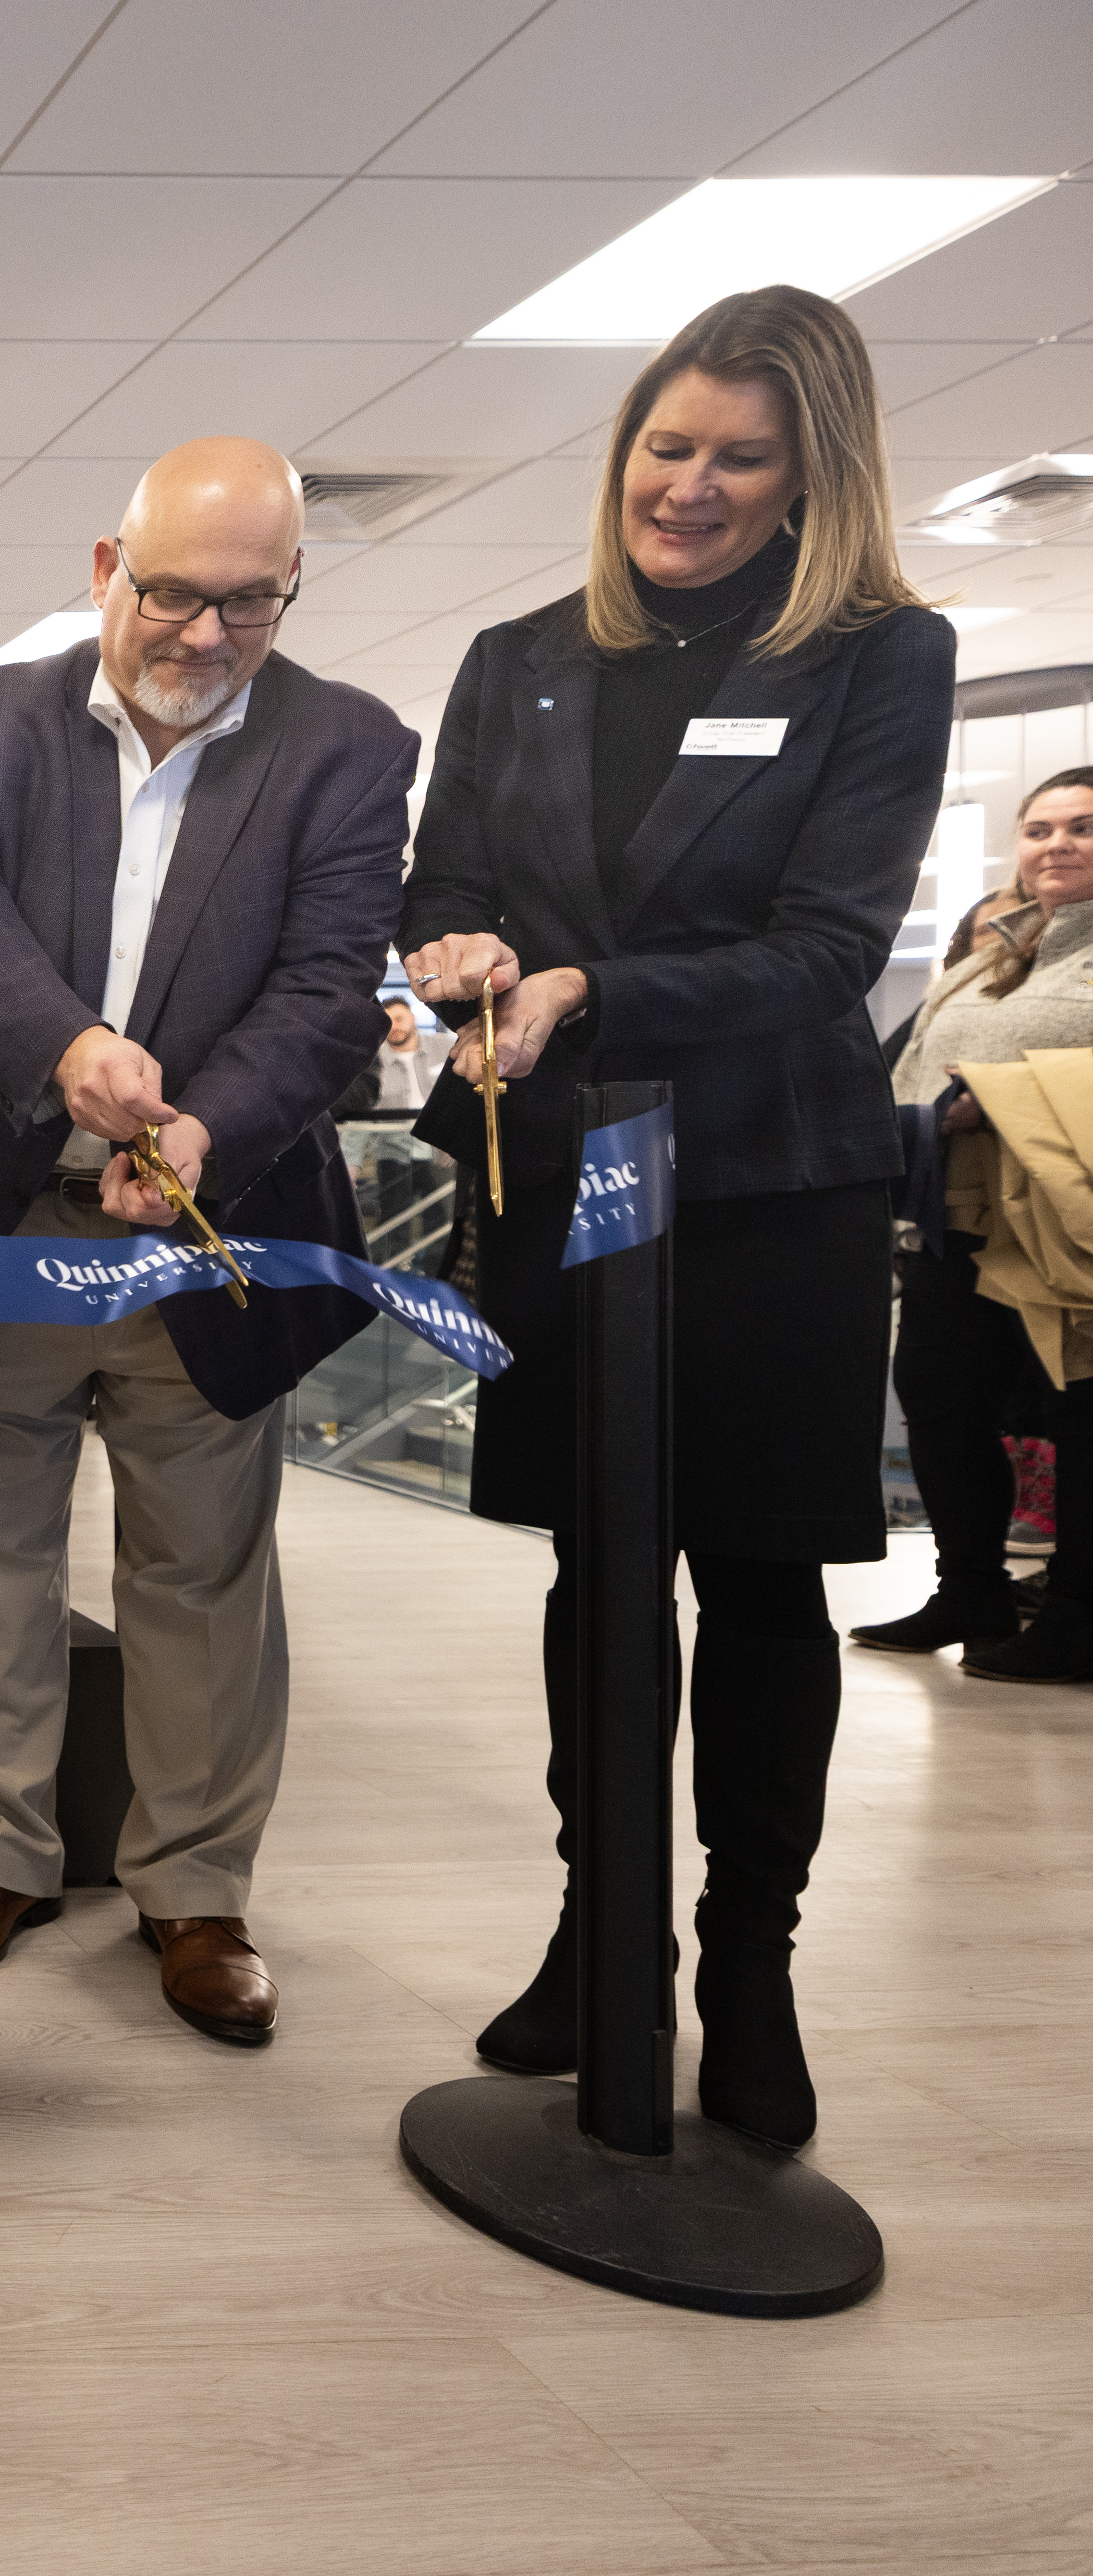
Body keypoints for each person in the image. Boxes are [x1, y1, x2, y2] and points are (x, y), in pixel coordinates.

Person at [402, 284, 953, 2152]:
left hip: (769, 1185)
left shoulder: (879, 658)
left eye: (738, 457)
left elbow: (825, 949)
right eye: (664, 445)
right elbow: (443, 881)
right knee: (598, 1569)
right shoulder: (518, 656)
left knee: (760, 1580)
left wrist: (585, 986)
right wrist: (461, 953)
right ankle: (602, 1930)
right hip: (572, 1174)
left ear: (811, 476)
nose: (688, 487)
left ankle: (749, 1958)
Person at [0, 439, 413, 2047]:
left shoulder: (347, 746)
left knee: (202, 1567)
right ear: (107, 567)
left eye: (250, 602)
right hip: (7, 1213)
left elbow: (326, 987)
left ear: (290, 588)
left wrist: (197, 1129)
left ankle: (196, 1888)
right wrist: (73, 1052)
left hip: (207, 1229)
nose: (206, 634)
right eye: (172, 594)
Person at [866, 770, 1093, 1679]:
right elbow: (915, 1062)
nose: (1058, 844)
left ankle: (1078, 1611)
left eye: (1083, 827)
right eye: (1040, 829)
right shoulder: (992, 950)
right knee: (940, 1399)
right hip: (954, 1217)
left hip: (1067, 1227)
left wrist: (1003, 1094)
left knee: (1081, 1418)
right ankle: (971, 1590)